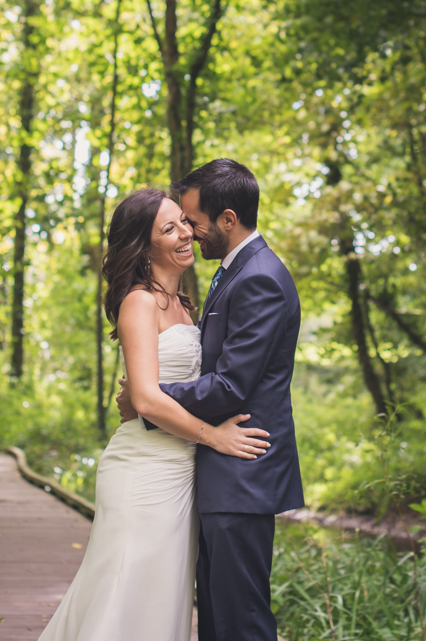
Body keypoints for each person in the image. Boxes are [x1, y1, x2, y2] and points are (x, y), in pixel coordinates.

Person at [37, 187, 272, 641]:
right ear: (143, 246)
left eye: (184, 221)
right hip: (143, 473)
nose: (186, 233)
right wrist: (214, 436)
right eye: (169, 228)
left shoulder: (185, 304)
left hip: (180, 473)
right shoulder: (139, 301)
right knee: (126, 594)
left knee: (160, 602)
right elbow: (144, 399)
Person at [119, 159, 305, 641]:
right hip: (217, 474)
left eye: (193, 220)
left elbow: (230, 386)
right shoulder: (231, 272)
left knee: (241, 621)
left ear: (227, 219)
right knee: (220, 618)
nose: (189, 231)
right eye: (177, 222)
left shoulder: (258, 277)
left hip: (242, 469)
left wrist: (150, 397)